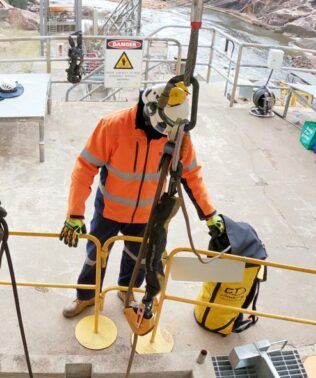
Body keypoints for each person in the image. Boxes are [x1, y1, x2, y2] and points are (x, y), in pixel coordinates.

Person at [59, 82, 224, 318]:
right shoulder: (113, 126)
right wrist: (75, 214)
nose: (167, 135)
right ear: (151, 111)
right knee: (95, 255)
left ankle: (127, 292)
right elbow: (85, 167)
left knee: (138, 258)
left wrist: (209, 214)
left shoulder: (177, 135)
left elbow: (191, 174)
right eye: (165, 130)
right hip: (109, 210)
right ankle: (86, 296)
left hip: (147, 213)